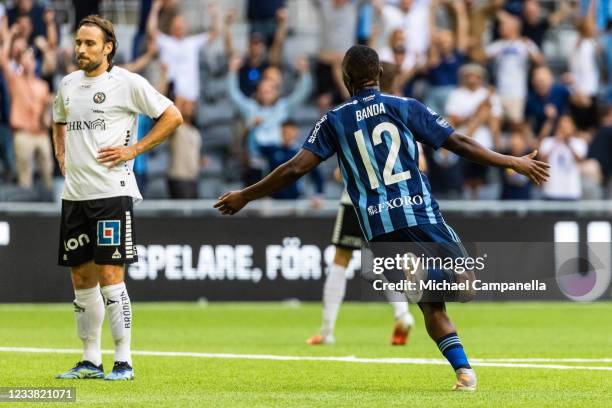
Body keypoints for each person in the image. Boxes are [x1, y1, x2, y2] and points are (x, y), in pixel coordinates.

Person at [215, 45, 549, 391]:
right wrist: (511, 160)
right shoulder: (404, 107)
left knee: (430, 307)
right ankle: (437, 302)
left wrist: (246, 195)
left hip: (376, 226)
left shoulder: (334, 119)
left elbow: (295, 167)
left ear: (346, 79)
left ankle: (464, 373)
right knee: (466, 283)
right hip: (419, 213)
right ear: (377, 75)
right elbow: (460, 142)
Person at [53, 15, 182, 380]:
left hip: (111, 193)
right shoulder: (67, 85)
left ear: (107, 47)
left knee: (111, 276)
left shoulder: (126, 83)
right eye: (78, 42)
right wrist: (60, 151)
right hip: (74, 196)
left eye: (89, 43)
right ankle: (90, 359)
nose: (81, 49)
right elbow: (58, 119)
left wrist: (134, 150)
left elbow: (172, 116)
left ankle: (123, 360)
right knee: (81, 280)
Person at [0, 24, 53, 191]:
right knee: (25, 177)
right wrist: (8, 35)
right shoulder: (15, 81)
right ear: (21, 61)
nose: (29, 61)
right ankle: (26, 214)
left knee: (48, 173)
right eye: (26, 57)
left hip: (42, 134)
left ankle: (52, 211)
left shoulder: (42, 85)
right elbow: (2, 60)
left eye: (31, 57)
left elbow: (51, 65)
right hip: (23, 133)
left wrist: (44, 47)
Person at [539, 115, 587, 200]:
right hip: (551, 191)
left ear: (573, 127)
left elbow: (581, 160)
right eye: (562, 125)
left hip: (572, 191)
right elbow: (542, 161)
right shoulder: (548, 142)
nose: (564, 128)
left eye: (567, 125)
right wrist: (556, 142)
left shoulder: (579, 143)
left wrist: (568, 143)